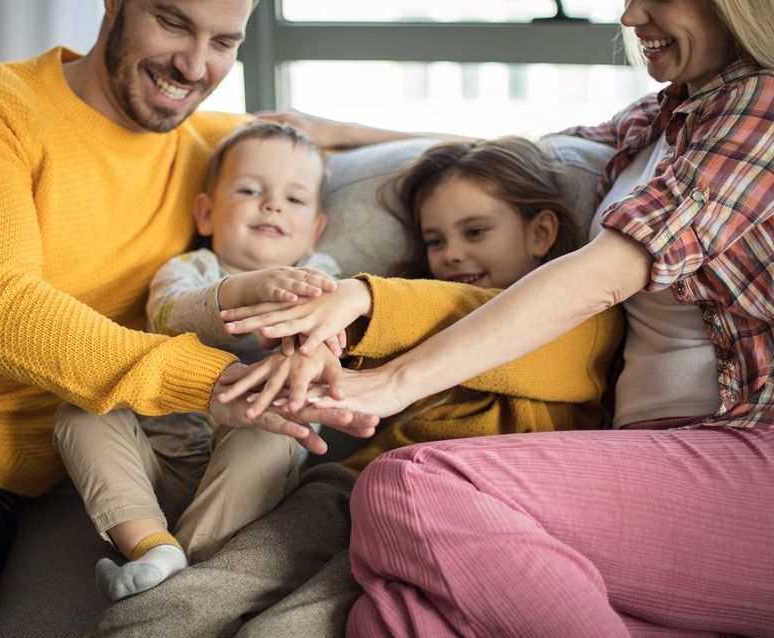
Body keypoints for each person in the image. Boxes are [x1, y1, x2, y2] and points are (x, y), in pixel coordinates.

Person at [0, 1, 378, 636]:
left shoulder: (214, 150)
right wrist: (214, 381)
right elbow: (3, 313)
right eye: (172, 22)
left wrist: (347, 132)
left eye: (224, 41)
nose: (193, 66)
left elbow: (460, 150)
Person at [219, 0, 774, 634]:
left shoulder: (760, 105)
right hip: (647, 453)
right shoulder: (661, 118)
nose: (629, 16)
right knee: (386, 619)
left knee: (410, 484)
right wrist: (340, 131)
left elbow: (604, 273)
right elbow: (521, 153)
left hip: (749, 450)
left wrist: (391, 380)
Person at [53, 121, 344, 601]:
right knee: (80, 410)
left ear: (314, 230)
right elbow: (169, 316)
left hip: (243, 484)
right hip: (156, 468)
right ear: (207, 214)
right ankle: (155, 546)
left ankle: (178, 573)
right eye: (250, 190)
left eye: (293, 199)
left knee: (270, 425)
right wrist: (242, 290)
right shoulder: (189, 269)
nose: (271, 204)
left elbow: (330, 338)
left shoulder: (320, 278)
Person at [332, 136, 621, 470]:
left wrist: (362, 301)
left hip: (479, 480)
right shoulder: (414, 313)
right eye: (435, 241)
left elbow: (460, 311)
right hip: (363, 473)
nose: (451, 254)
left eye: (475, 232)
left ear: (539, 233)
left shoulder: (587, 316)